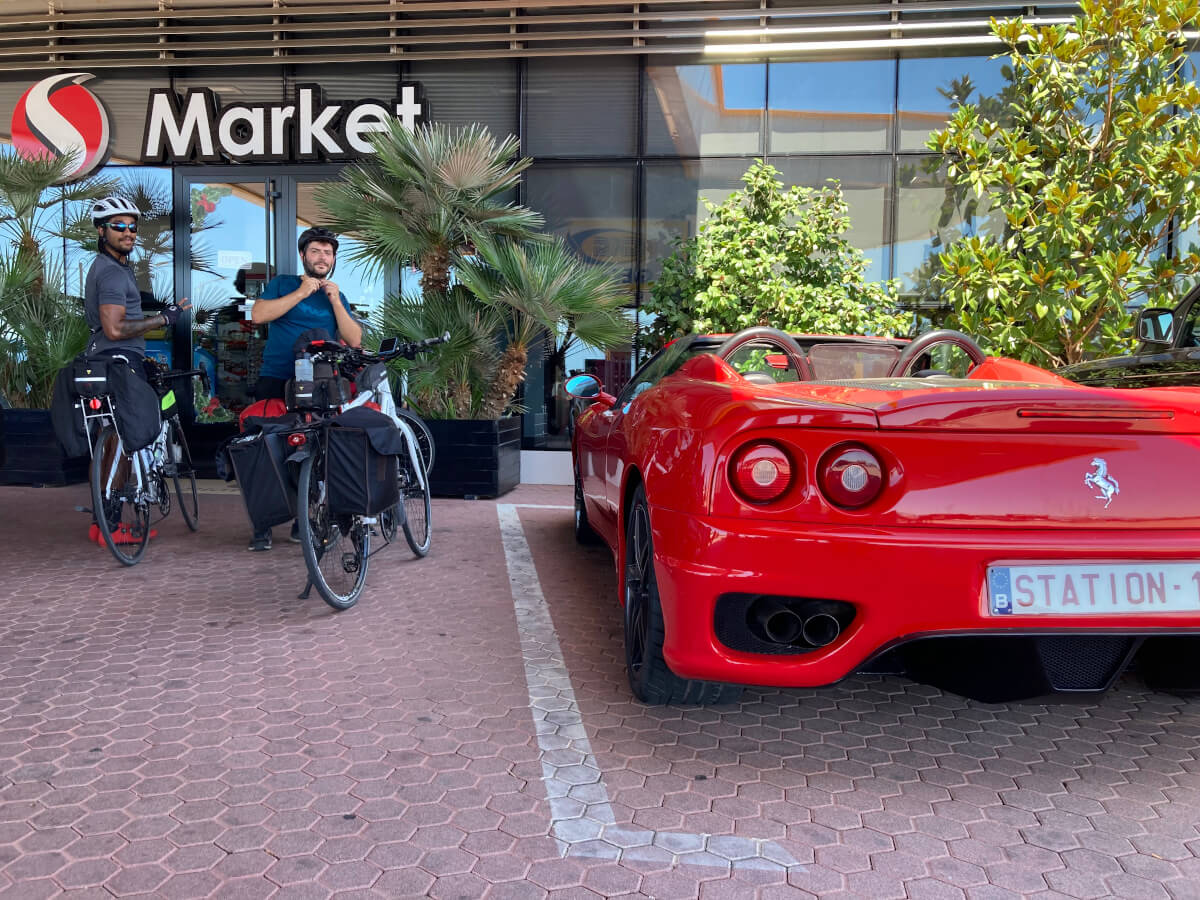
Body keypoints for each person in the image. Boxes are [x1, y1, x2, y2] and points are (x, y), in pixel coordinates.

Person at [246, 226, 362, 550]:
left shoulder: (336, 296)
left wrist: (336, 301)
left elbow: (354, 339)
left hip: (317, 383)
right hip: (276, 378)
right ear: (303, 256)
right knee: (267, 449)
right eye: (315, 251)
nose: (322, 257)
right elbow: (258, 315)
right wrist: (300, 292)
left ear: (334, 258)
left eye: (327, 252)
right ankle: (262, 525)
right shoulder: (284, 283)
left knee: (315, 449)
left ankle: (303, 520)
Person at [84, 195, 190, 544]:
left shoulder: (111, 268)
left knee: (113, 440)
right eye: (119, 226)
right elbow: (115, 329)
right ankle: (111, 524)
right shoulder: (113, 273)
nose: (128, 232)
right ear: (102, 231)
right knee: (125, 439)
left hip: (110, 360)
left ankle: (103, 522)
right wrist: (165, 319)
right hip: (119, 361)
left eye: (132, 226)